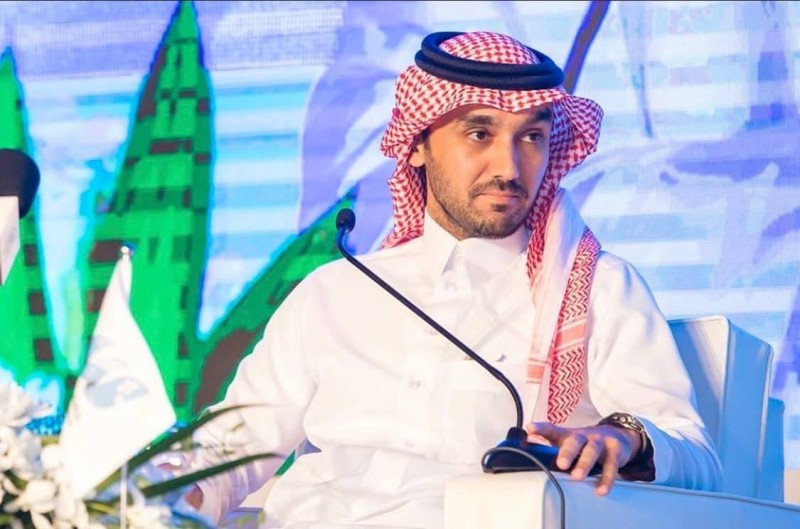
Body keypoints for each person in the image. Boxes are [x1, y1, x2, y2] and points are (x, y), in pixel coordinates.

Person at [187, 31, 721, 528]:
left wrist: (624, 439)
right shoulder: (337, 291)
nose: (508, 167)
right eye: (479, 133)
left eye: (532, 137)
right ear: (418, 144)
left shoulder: (596, 287)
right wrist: (165, 495)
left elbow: (697, 458)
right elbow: (231, 448)